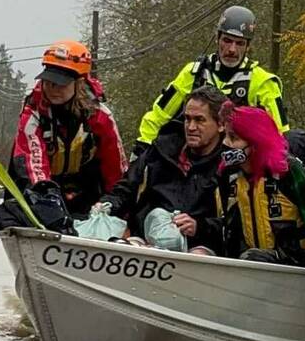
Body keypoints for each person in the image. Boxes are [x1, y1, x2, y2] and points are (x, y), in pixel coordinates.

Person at [0, 40, 124, 231]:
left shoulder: (101, 116)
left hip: (85, 190)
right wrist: (50, 207)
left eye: (60, 84)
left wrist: (117, 207)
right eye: (49, 82)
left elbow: (116, 169)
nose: (53, 89)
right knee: (14, 210)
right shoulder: (33, 113)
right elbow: (33, 163)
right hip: (42, 189)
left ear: (79, 82)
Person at [210, 105, 305, 270]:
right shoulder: (227, 176)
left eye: (233, 138)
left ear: (255, 141)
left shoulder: (287, 170)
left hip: (298, 266)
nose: (226, 143)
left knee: (254, 257)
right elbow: (227, 230)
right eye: (225, 136)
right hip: (249, 266)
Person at [97, 85, 226, 251]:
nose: (191, 127)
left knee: (198, 257)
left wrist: (199, 227)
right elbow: (126, 187)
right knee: (121, 247)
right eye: (187, 119)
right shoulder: (161, 149)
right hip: (145, 239)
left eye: (200, 120)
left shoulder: (229, 164)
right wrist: (106, 204)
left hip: (198, 247)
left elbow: (236, 224)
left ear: (221, 124)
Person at [136, 5, 287, 147]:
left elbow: (280, 133)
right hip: (195, 162)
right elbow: (158, 116)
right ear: (217, 39)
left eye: (239, 43)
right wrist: (142, 148)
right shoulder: (193, 73)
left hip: (239, 163)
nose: (232, 50)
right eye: (227, 41)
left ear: (248, 46)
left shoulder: (264, 82)